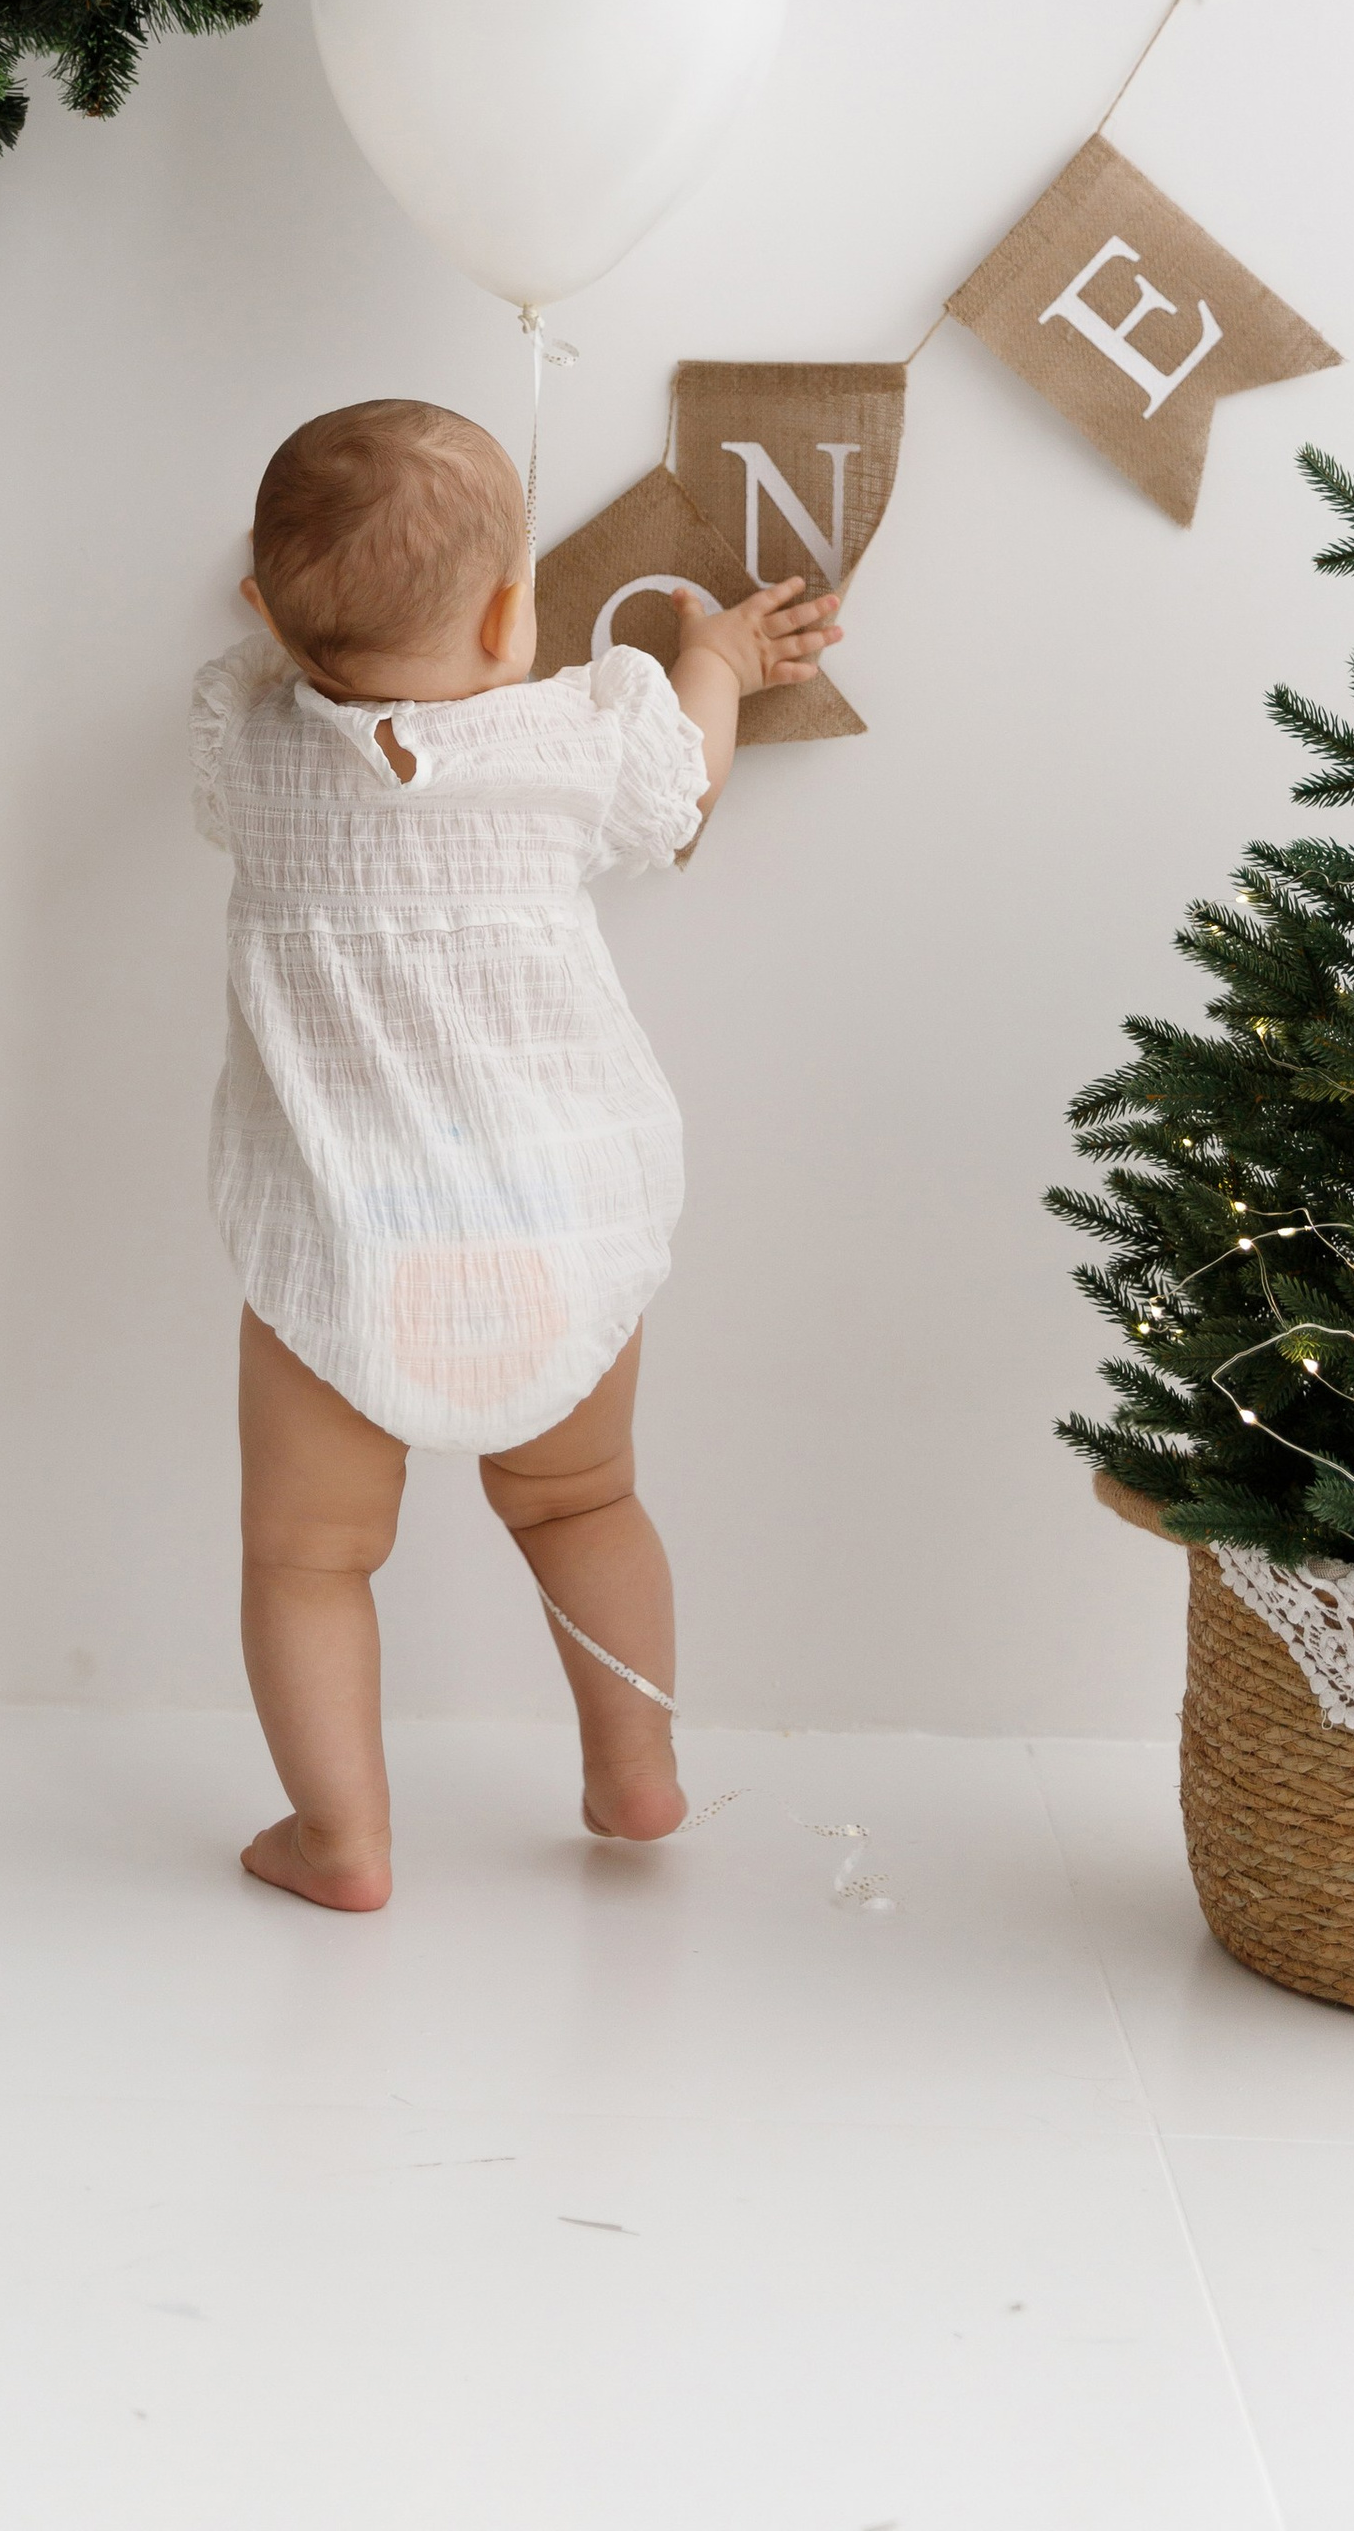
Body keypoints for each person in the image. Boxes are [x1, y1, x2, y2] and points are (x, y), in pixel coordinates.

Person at [191, 397, 840, 1909]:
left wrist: (285, 622)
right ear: (508, 616)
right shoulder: (562, 745)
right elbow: (682, 776)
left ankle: (343, 1840)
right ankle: (635, 1772)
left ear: (266, 617)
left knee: (310, 1559)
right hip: (555, 1223)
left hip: (345, 1244)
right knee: (579, 1501)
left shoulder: (257, 752)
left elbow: (244, 680)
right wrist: (718, 663)